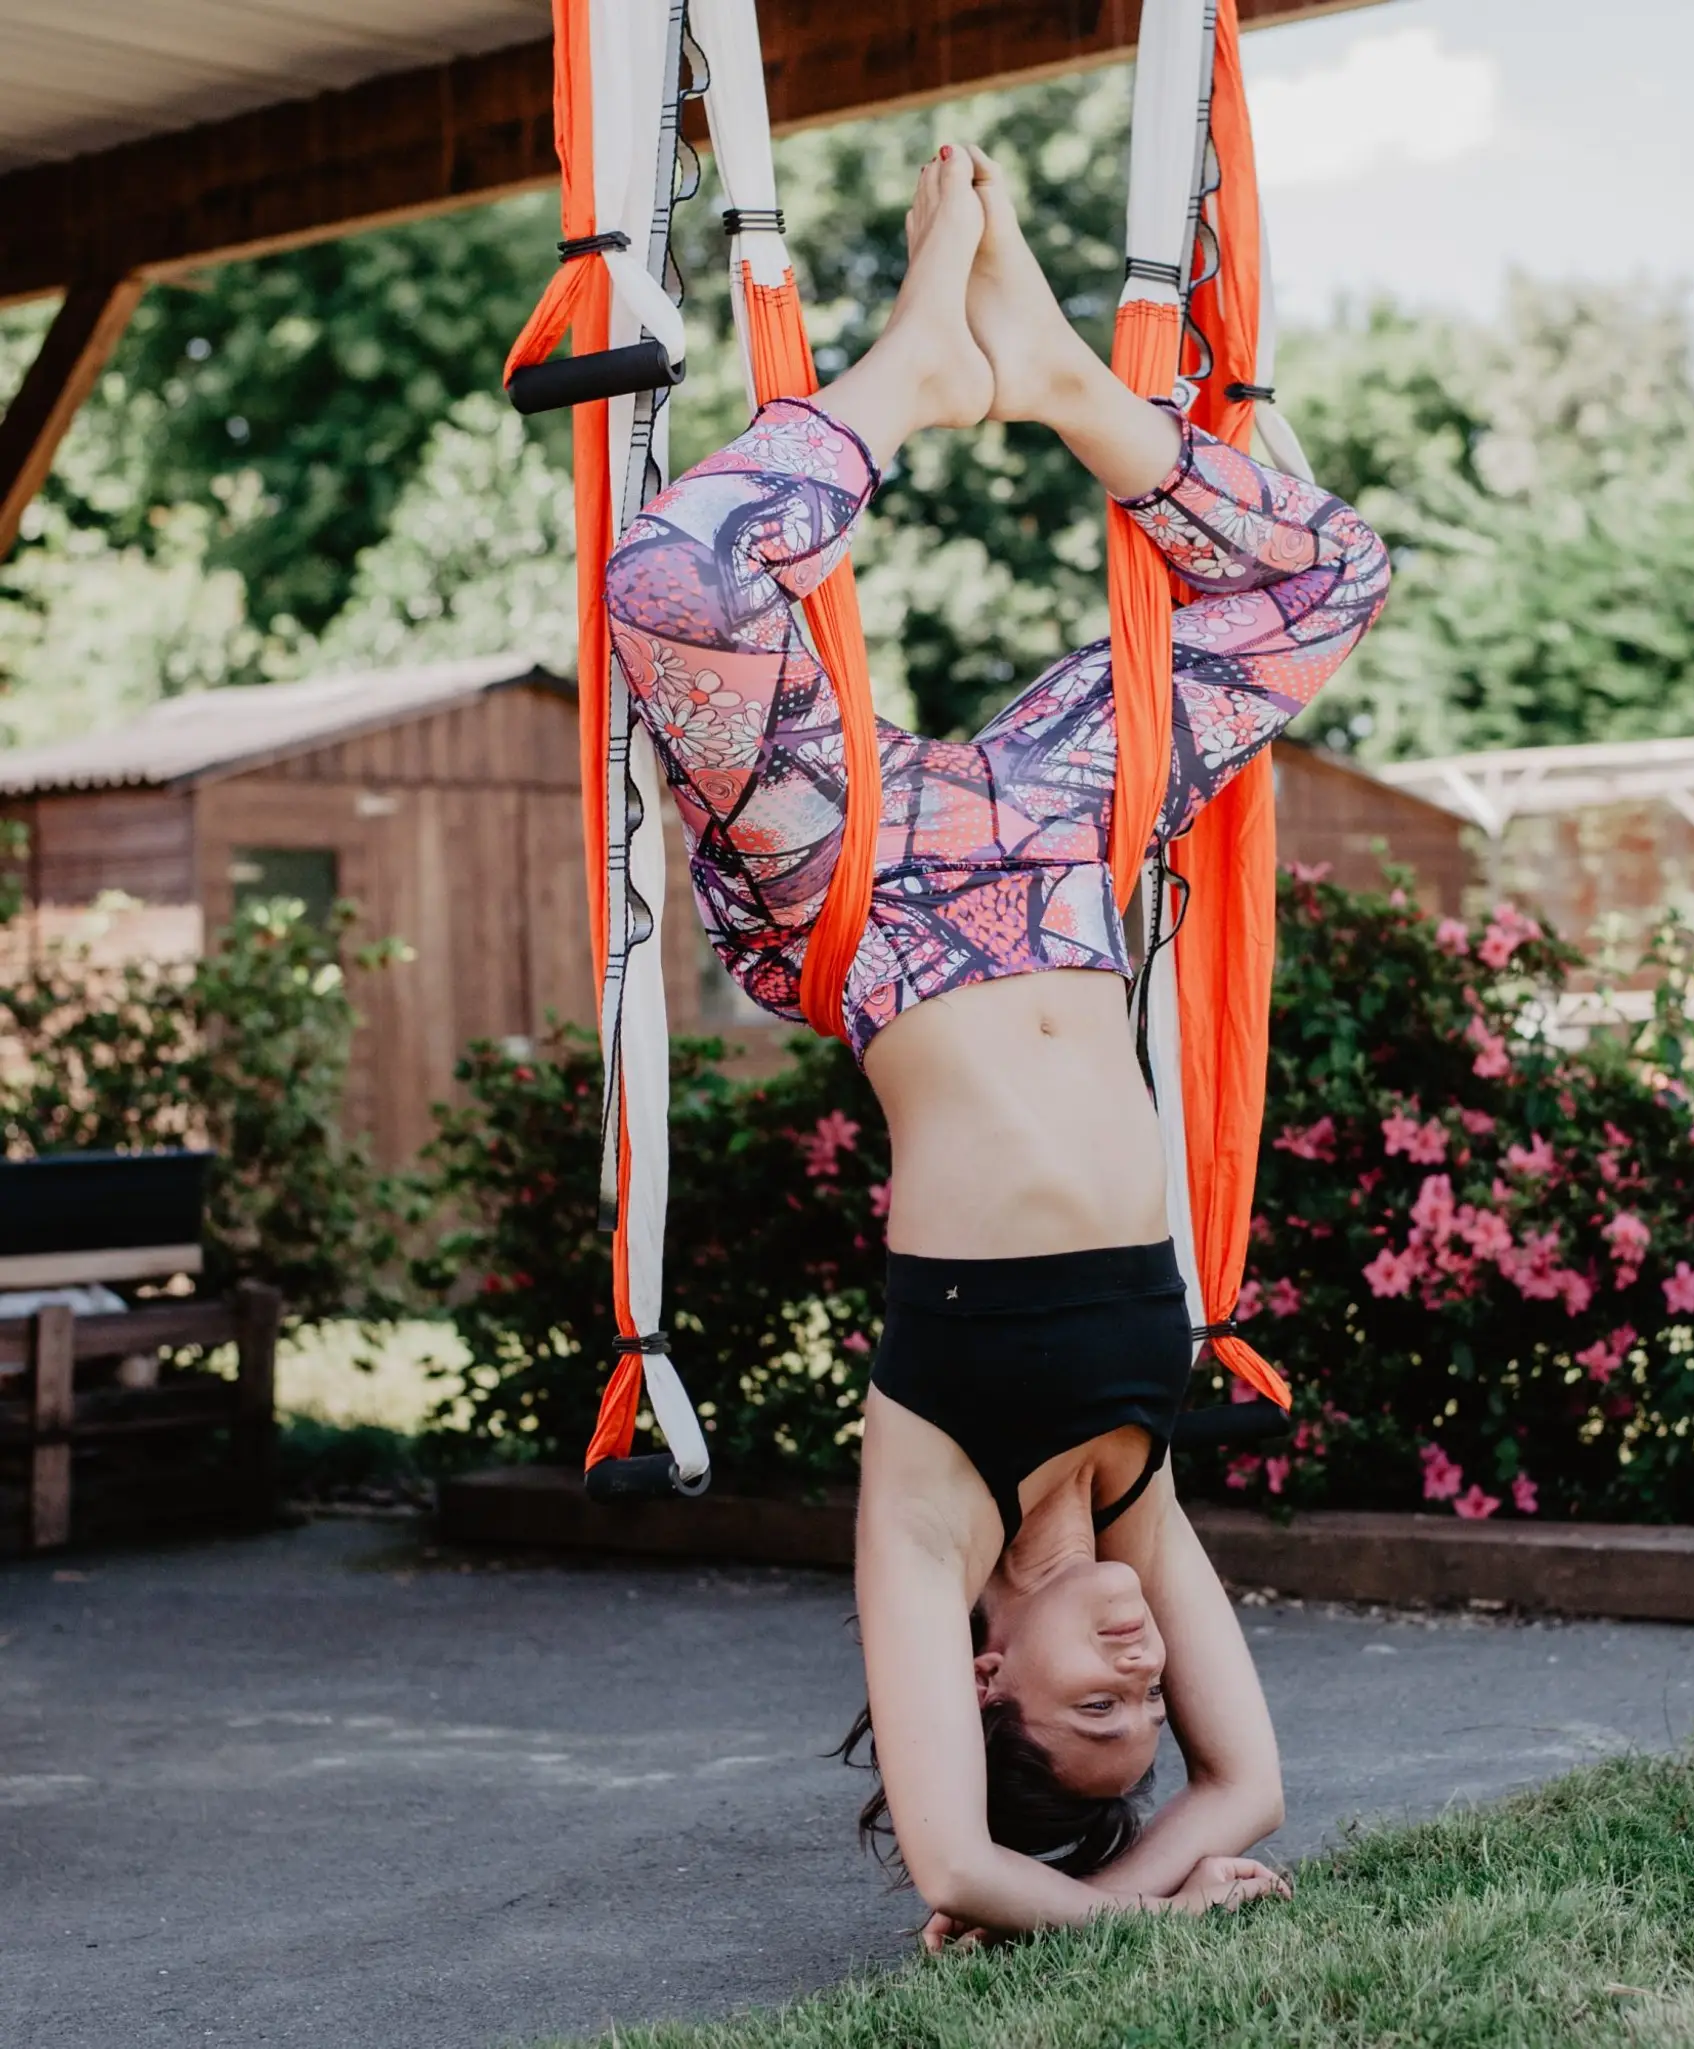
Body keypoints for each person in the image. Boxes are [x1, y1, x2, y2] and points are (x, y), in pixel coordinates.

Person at [604, 143, 1390, 1941]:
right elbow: (1252, 1790)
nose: (1137, 1658)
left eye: (1096, 1701)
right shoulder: (1135, 1488)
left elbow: (955, 1870)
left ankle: (908, 381)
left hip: (856, 892)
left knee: (673, 588)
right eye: (1146, 1700)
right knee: (1329, 579)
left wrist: (1068, 1909)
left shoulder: (926, 1520)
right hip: (1062, 857)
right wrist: (1148, 1869)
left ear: (979, 1682)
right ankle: (1057, 388)